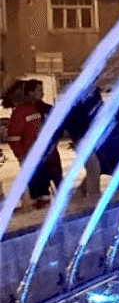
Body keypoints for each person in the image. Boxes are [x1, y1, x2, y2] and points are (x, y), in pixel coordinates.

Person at [3, 79, 63, 209]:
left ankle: (41, 206)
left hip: (37, 154)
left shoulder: (31, 110)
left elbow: (21, 135)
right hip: (36, 155)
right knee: (40, 185)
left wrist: (22, 154)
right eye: (39, 90)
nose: (42, 93)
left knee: (42, 184)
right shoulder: (28, 111)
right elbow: (18, 136)